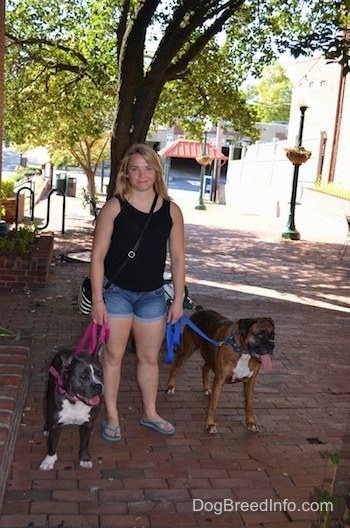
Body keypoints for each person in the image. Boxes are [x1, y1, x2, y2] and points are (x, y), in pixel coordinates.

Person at [89, 143, 185, 440]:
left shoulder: (171, 210)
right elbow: (97, 257)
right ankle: (113, 416)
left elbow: (179, 258)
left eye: (147, 168)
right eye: (135, 169)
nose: (142, 175)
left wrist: (178, 300)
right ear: (126, 174)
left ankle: (150, 413)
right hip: (116, 293)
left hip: (153, 297)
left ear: (157, 171)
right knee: (114, 357)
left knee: (149, 358)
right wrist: (97, 300)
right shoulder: (114, 207)